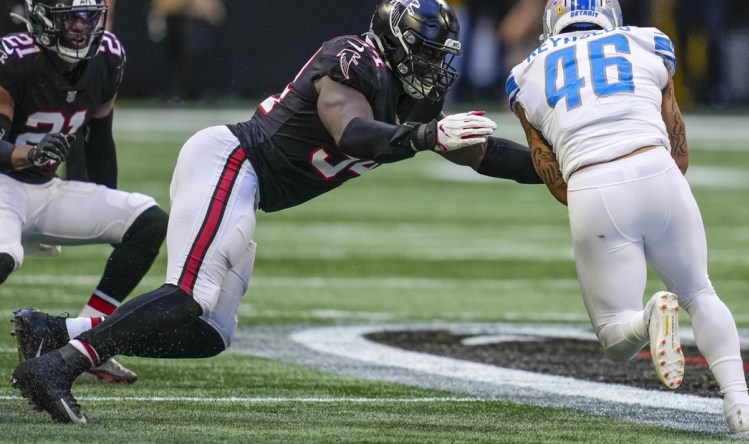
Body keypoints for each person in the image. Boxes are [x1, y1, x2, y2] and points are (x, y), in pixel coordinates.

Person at [10, 0, 542, 423]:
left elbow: (482, 153)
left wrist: (560, 167)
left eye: (439, 54)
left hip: (252, 186)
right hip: (231, 159)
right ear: (393, 45)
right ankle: (57, 370)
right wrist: (425, 136)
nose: (433, 66)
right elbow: (352, 132)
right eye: (423, 52)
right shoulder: (351, 59)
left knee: (209, 335)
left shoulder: (414, 97)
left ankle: (53, 331)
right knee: (189, 294)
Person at [506, 0, 749, 435]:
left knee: (615, 337)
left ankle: (649, 318)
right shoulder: (647, 42)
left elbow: (552, 177)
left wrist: (600, 201)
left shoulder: (525, 75)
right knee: (700, 292)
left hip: (591, 182)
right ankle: (741, 408)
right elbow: (678, 148)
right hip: (656, 166)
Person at [1, 0, 168, 384]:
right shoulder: (14, 58)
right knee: (5, 255)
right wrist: (29, 153)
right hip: (3, 185)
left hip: (44, 189)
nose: (81, 26)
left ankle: (88, 338)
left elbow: (98, 140)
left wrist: (103, 204)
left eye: (89, 16)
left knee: (146, 220)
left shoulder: (108, 56)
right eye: (70, 17)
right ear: (43, 18)